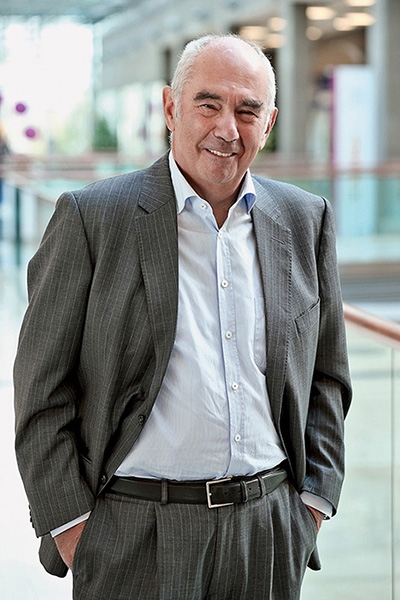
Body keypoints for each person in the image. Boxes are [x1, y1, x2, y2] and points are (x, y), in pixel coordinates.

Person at [14, 34, 352, 600]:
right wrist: (74, 529)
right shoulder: (92, 218)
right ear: (171, 107)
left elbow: (328, 377)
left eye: (248, 111)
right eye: (208, 104)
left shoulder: (304, 219)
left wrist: (312, 504)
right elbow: (40, 391)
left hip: (268, 531)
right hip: (134, 534)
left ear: (268, 123)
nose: (227, 128)